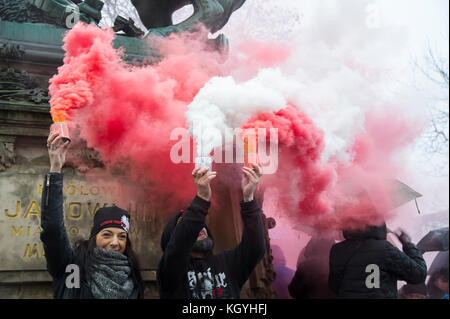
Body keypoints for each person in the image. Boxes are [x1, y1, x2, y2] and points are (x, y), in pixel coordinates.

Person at [40, 131, 144, 298]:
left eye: (122, 236)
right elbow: (52, 229)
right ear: (94, 236)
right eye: (107, 234)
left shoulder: (132, 275)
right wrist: (55, 170)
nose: (115, 243)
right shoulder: (72, 265)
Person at [157, 164, 266, 299]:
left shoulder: (228, 263)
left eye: (202, 224)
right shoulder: (170, 273)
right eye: (193, 227)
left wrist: (249, 198)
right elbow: (177, 248)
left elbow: (255, 248)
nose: (201, 228)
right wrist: (202, 198)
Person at [328, 223, 427, 298]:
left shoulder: (337, 250)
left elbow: (334, 285)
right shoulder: (384, 248)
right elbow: (418, 274)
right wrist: (408, 244)